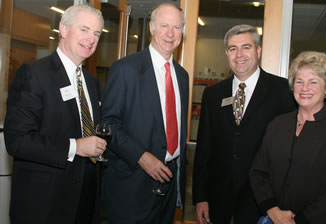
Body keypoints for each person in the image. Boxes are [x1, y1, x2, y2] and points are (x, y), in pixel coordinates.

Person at [4, 5, 107, 224]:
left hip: (85, 202)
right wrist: (75, 146)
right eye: (85, 30)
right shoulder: (34, 74)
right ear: (63, 30)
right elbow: (16, 141)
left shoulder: (90, 82)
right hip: (44, 205)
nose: (91, 39)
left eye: (96, 34)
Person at [192, 24, 296, 224]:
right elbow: (204, 150)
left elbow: (290, 152)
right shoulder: (213, 95)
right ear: (227, 53)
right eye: (233, 48)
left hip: (264, 204)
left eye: (246, 47)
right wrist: (200, 197)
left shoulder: (283, 91)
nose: (239, 54)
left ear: (258, 50)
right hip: (218, 201)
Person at [101, 3, 189, 224]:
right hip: (132, 185)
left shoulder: (182, 76)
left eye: (177, 27)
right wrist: (141, 156)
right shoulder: (125, 69)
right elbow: (108, 124)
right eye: (164, 26)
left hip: (169, 186)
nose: (170, 34)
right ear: (151, 28)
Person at [250, 51, 326, 224]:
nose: (304, 88)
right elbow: (258, 172)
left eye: (313, 82)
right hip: (272, 218)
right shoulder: (277, 125)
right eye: (299, 82)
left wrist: (301, 221)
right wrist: (272, 210)